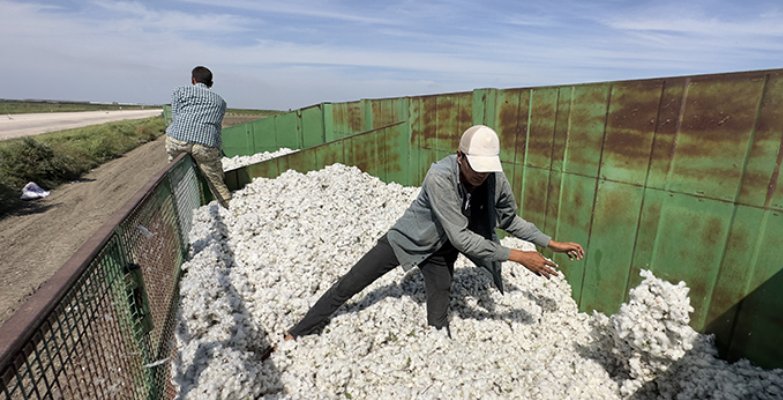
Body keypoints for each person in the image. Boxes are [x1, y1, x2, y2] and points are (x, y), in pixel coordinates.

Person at [287, 125, 585, 340]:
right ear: (460, 156)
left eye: (486, 168)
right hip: (408, 240)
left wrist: (550, 243)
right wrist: (518, 256)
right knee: (352, 281)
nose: (480, 174)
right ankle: (300, 330)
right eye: (475, 167)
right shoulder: (440, 177)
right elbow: (461, 236)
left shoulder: (494, 179)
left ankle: (438, 347)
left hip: (442, 250)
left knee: (440, 302)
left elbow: (509, 219)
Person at [165, 66, 232, 208]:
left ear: (193, 80)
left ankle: (177, 201)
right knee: (215, 179)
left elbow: (176, 116)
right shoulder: (221, 102)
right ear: (211, 83)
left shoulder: (180, 91)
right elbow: (216, 127)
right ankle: (229, 205)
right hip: (205, 143)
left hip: (178, 139)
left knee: (175, 171)